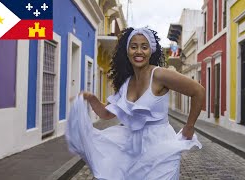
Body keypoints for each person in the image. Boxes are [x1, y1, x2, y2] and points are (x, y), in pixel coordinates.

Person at [66, 27, 205, 179]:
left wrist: (189, 126)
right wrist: (91, 99)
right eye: (134, 47)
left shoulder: (159, 75)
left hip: (161, 148)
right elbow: (106, 113)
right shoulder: (127, 83)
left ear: (151, 50)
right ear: (127, 51)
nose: (138, 51)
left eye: (144, 47)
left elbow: (198, 91)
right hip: (132, 149)